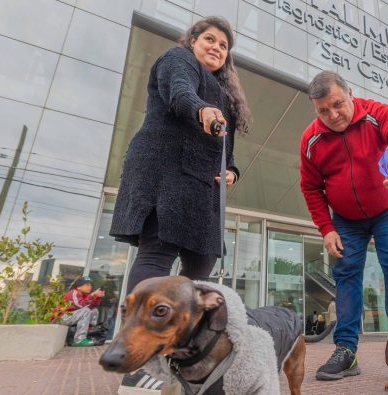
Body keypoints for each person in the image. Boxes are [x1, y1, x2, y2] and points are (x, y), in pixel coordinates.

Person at [108, 16, 250, 394]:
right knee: (158, 254)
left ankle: (188, 353)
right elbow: (179, 92)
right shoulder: (178, 60)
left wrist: (232, 171)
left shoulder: (226, 97)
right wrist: (201, 110)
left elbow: (228, 151)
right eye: (210, 39)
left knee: (201, 265)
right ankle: (137, 362)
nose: (217, 47)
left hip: (202, 185)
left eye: (223, 45)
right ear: (192, 40)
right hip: (166, 170)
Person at [300, 70, 388, 381]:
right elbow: (311, 187)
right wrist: (326, 228)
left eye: (338, 104)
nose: (333, 115)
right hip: (346, 220)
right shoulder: (311, 138)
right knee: (345, 274)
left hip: (387, 208)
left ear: (350, 93)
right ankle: (346, 350)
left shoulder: (378, 114)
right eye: (323, 111)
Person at [57, 277, 104, 347]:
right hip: (60, 318)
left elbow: (92, 306)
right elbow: (80, 305)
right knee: (86, 310)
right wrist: (92, 295)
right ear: (78, 287)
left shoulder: (84, 295)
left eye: (90, 285)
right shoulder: (73, 293)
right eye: (87, 285)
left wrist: (98, 297)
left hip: (72, 316)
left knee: (94, 310)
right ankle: (79, 340)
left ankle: (89, 331)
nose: (90, 287)